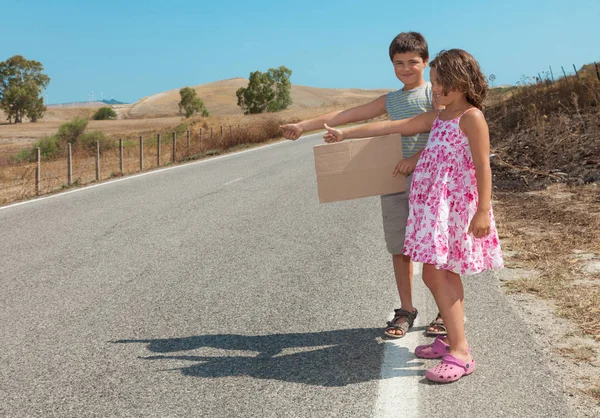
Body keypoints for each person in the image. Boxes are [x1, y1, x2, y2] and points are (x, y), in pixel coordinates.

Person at [323, 48, 504, 383]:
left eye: (441, 84)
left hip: (455, 210)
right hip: (432, 209)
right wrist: (345, 133)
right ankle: (451, 338)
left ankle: (461, 354)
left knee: (435, 276)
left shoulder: (471, 118)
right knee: (443, 274)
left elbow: (483, 166)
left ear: (462, 82)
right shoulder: (440, 116)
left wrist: (482, 210)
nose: (434, 90)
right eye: (434, 83)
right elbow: (395, 126)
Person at [281, 32, 445, 338]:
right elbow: (347, 115)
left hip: (431, 180)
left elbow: (446, 134)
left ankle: (445, 311)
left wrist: (418, 157)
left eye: (413, 62)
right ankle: (406, 310)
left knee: (435, 247)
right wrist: (303, 126)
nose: (406, 68)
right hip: (393, 180)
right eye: (399, 63)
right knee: (399, 248)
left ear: (425, 62)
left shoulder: (435, 95)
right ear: (391, 64)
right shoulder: (391, 100)